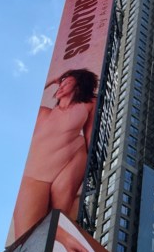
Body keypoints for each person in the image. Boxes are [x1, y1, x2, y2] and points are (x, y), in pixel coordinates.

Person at [13, 69, 98, 240]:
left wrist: (96, 171)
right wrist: (52, 79)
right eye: (61, 83)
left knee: (56, 223)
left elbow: (90, 137)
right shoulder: (43, 113)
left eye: (67, 83)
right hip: (35, 176)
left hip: (67, 166)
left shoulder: (89, 104)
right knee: (26, 239)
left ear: (79, 85)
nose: (61, 86)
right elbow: (24, 102)